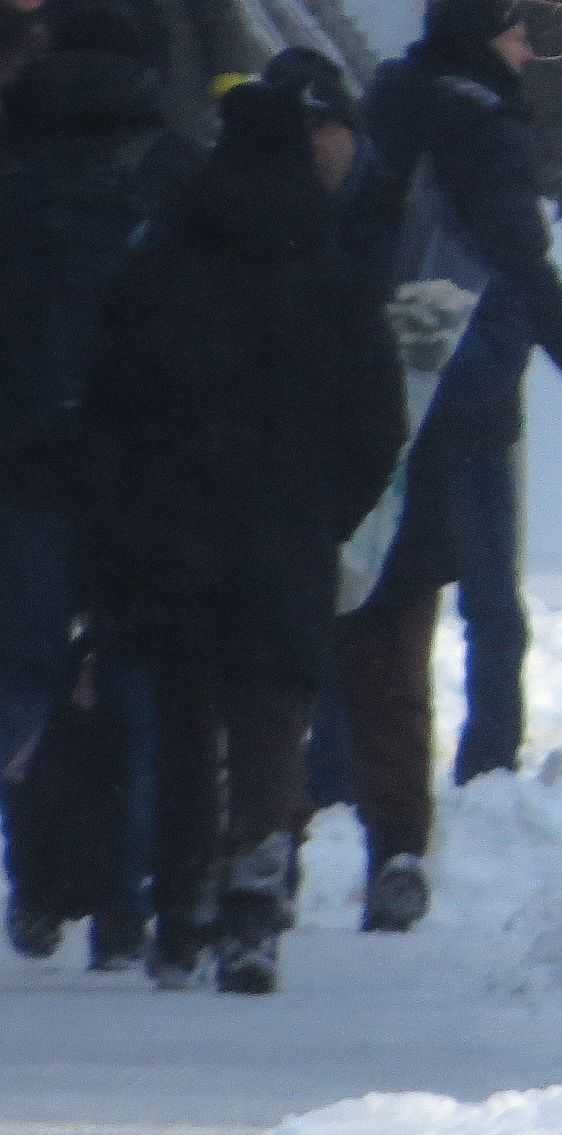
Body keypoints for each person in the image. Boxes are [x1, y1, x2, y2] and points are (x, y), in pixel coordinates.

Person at [76, 74, 406, 991]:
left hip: (173, 522)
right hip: (285, 524)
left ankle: (180, 905)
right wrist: (328, 509)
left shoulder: (159, 267)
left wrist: (122, 510)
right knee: (271, 709)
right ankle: (256, 887)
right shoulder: (330, 275)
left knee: (183, 711)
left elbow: (107, 403)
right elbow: (378, 418)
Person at [323, 0, 562, 931]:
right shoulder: (485, 130)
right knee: (489, 590)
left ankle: (332, 771)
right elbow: (521, 260)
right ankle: (488, 764)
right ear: (487, 43)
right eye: (519, 33)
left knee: (365, 593)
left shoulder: (386, 111)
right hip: (469, 384)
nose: (529, 49)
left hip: (374, 387)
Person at [0, 5, 196, 967]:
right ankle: (127, 899)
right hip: (137, 475)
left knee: (26, 671)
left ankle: (34, 880)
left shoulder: (15, 205)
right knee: (133, 682)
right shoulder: (157, 207)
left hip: (26, 472)